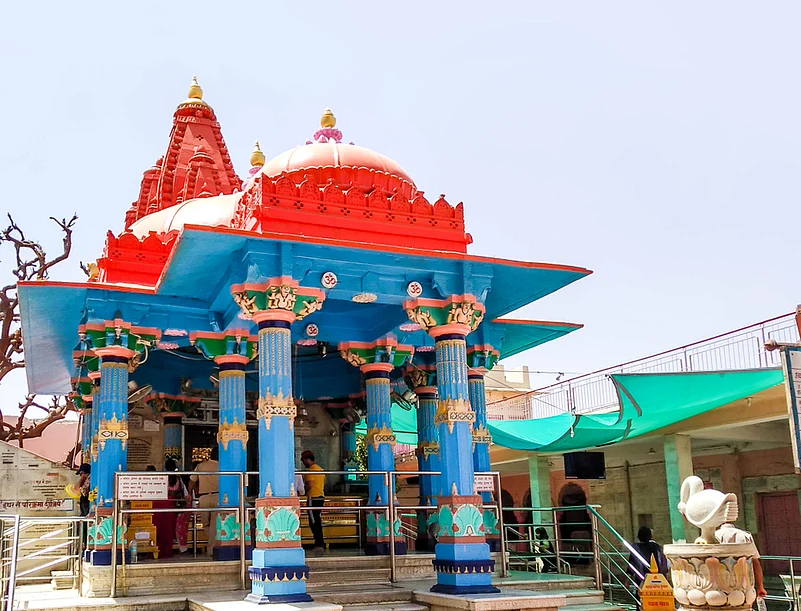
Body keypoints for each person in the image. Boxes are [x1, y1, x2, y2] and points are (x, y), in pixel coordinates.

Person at [716, 522, 767, 599]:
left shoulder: (714, 536)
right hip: (744, 586)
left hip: (721, 586)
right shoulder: (745, 535)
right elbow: (755, 562)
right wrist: (760, 586)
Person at [189, 447, 219, 557]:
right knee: (214, 525)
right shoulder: (222, 466)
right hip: (218, 496)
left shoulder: (201, 466)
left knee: (204, 524)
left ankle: (211, 548)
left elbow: (192, 481)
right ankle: (212, 547)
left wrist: (189, 494)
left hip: (204, 497)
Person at [301, 450, 325, 553]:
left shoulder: (310, 471)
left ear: (307, 460)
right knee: (317, 520)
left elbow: (309, 485)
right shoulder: (321, 470)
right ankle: (320, 542)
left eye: (304, 461)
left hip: (313, 497)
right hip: (320, 497)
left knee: (313, 521)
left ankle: (319, 543)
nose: (304, 463)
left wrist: (304, 492)